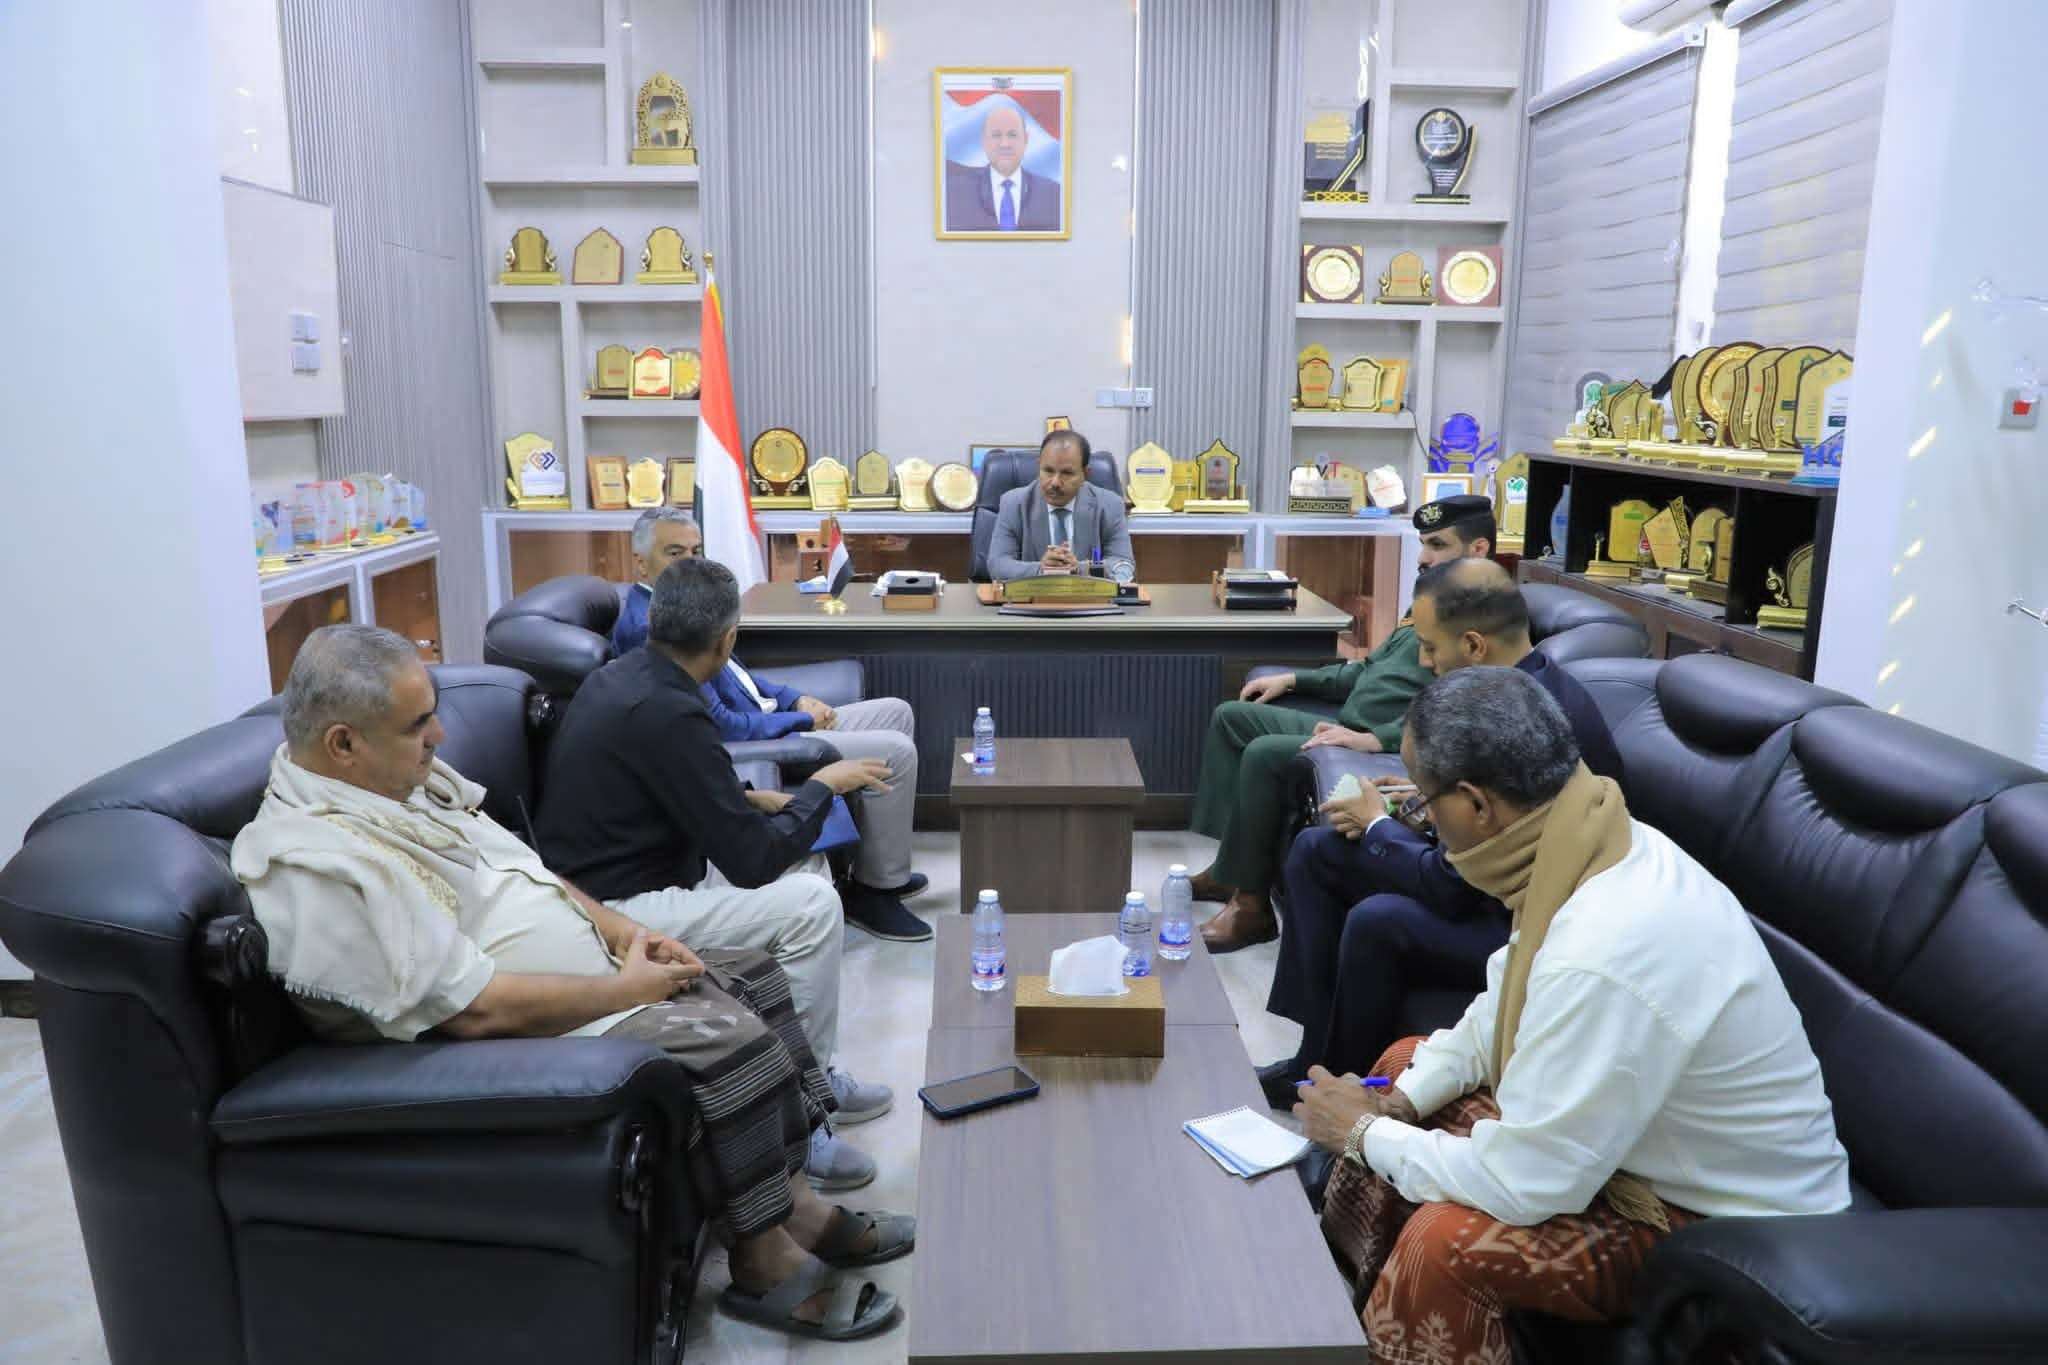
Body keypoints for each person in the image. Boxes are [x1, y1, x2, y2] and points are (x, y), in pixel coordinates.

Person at [231, 626, 912, 1342]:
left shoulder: (391, 779)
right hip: (505, 1038)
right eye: (417, 724)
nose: (439, 734)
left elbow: (528, 873)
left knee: (750, 977)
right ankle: (762, 1262)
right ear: (343, 743)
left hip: (584, 973)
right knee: (723, 1037)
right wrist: (628, 991)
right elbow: (470, 1011)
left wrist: (622, 934)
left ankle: (795, 1205)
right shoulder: (316, 861)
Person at [1292, 667, 1848, 1364]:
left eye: (1426, 800)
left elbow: (1526, 1182)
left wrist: (1366, 1132)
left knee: (1446, 1244)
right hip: (1640, 1150)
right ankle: (1340, 1306)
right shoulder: (1586, 843)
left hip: (1728, 1222)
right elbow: (1500, 1006)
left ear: (1476, 804)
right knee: (1407, 1061)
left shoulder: (1605, 944)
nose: (1424, 821)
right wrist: (1400, 1102)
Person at [536, 557, 902, 1193]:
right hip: (615, 912)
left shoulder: (623, 677)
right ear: (728, 640)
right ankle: (802, 1122)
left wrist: (750, 800)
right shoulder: (671, 710)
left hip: (618, 877)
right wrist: (821, 785)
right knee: (811, 904)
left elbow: (666, 784)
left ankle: (811, 1073)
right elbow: (751, 865)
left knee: (808, 858)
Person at [1259, 559, 1624, 1104]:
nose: (1424, 662)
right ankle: (1315, 1059)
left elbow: (1457, 887)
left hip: (1523, 921)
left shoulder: (1518, 721)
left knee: (1379, 919)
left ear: (1474, 646)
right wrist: (1427, 800)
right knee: (1318, 849)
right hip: (1488, 890)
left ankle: (1354, 1086)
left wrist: (1379, 825)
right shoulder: (1523, 687)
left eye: (1430, 648)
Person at [1191, 495, 1496, 953]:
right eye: (1422, 543)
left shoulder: (1486, 617)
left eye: (1437, 544)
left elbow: (1453, 706)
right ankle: (1230, 867)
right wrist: (1294, 679)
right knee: (1232, 716)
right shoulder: (1433, 599)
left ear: (1478, 549)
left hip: (1377, 739)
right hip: (1349, 722)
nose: (1423, 556)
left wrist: (1374, 738)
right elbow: (1367, 669)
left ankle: (1251, 907)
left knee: (1264, 753)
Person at [613, 508, 930, 942]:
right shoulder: (648, 624)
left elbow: (739, 675)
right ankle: (875, 892)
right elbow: (720, 725)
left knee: (896, 711)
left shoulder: (686, 604)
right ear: (640, 563)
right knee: (895, 750)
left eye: (696, 551)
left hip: (771, 718)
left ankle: (876, 868)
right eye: (675, 553)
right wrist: (798, 718)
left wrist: (793, 698)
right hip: (763, 738)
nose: (690, 563)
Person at [984, 429, 1135, 582]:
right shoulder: (1014, 503)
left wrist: (1079, 569)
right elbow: (998, 565)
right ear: (1039, 466)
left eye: (1067, 473)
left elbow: (1124, 566)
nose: (1055, 482)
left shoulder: (1110, 505)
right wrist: (1041, 569)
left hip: (1087, 596)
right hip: (1033, 596)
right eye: (1048, 471)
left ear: (1085, 474)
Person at [942, 100, 1060, 233]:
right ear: (984, 141)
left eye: (1012, 135)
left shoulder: (1053, 194)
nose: (1004, 144)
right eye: (996, 135)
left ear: (1026, 140)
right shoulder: (954, 194)